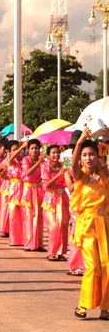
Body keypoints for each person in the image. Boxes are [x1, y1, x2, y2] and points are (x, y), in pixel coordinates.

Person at [70, 128, 109, 320]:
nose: (88, 158)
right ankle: (83, 305)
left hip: (105, 224)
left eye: (91, 154)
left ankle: (105, 308)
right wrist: (79, 144)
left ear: (98, 155)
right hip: (87, 226)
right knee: (93, 266)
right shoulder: (81, 175)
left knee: (107, 266)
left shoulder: (104, 174)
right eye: (85, 155)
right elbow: (74, 162)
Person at [41, 145, 69, 261]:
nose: (56, 155)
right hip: (50, 198)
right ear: (48, 155)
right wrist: (59, 174)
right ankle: (52, 252)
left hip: (62, 197)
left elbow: (68, 181)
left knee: (63, 226)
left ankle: (61, 253)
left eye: (57, 152)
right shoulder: (45, 166)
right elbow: (47, 184)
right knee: (54, 226)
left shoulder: (64, 166)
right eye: (53, 153)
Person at [21, 139, 46, 252]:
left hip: (40, 189)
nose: (34, 150)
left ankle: (39, 243)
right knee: (29, 216)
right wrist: (39, 163)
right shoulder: (26, 160)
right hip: (29, 190)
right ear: (28, 149)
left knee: (39, 217)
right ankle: (29, 243)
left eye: (36, 148)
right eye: (32, 148)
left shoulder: (43, 161)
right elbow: (27, 172)